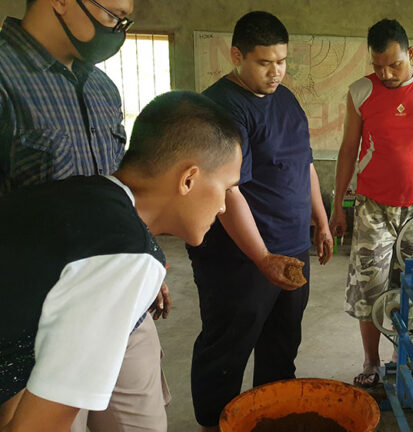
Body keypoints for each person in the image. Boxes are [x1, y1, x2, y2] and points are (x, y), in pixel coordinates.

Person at [0, 91, 243, 432]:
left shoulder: (85, 192)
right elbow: (37, 425)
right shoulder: (128, 255)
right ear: (188, 179)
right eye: (226, 188)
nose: (223, 207)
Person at [0, 1, 174, 431]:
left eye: (124, 19)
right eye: (112, 14)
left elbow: (121, 189)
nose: (118, 29)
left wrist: (145, 262)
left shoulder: (102, 87)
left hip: (123, 305)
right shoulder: (6, 79)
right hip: (39, 324)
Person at [186, 12, 333, 431]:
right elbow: (228, 193)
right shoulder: (219, 108)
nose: (275, 72)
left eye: (282, 61)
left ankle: (271, 419)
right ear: (237, 56)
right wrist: (262, 257)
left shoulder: (286, 100)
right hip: (238, 258)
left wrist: (320, 222)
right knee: (227, 347)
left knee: (282, 343)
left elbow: (304, 164)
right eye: (264, 62)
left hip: (291, 247)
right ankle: (214, 424)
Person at [329, 18, 413, 388]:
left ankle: (402, 355)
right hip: (372, 207)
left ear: (411, 53)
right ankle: (371, 362)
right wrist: (338, 206)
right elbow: (348, 150)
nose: (386, 74)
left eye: (394, 64)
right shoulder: (361, 91)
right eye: (378, 66)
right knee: (369, 287)